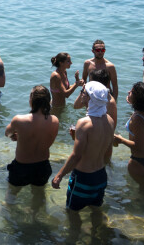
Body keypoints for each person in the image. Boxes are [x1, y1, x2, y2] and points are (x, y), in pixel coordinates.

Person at [52, 82, 114, 211]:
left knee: (72, 213)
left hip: (84, 178)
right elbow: (101, 147)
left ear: (89, 98)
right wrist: (77, 138)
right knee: (96, 211)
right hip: (101, 176)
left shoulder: (84, 124)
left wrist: (59, 176)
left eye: (83, 92)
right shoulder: (109, 120)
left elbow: (77, 155)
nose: (81, 94)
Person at [5, 86, 59, 192]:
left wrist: (14, 136)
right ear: (48, 101)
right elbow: (49, 141)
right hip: (43, 167)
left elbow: (7, 133)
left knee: (11, 196)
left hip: (21, 167)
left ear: (31, 100)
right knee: (39, 196)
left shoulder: (19, 120)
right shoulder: (55, 121)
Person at [113, 82, 144, 183]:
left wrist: (120, 139)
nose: (128, 92)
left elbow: (139, 146)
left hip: (140, 162)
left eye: (132, 92)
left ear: (138, 99)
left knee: (142, 194)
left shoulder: (138, 119)